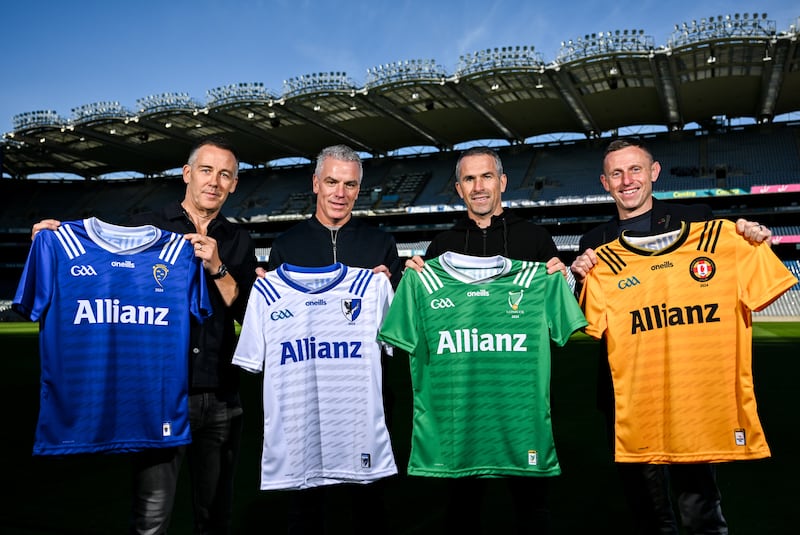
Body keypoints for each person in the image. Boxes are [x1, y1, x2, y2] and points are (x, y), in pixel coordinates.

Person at [31, 135, 258, 535]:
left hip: (222, 396)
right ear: (187, 174)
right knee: (151, 520)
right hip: (158, 398)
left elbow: (246, 313)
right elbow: (102, 263)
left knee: (215, 518)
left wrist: (218, 267)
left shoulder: (238, 240)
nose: (214, 181)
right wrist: (53, 240)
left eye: (226, 175)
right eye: (206, 170)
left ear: (235, 184)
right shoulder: (145, 227)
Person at [569, 137, 773, 535]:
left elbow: (738, 265)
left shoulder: (699, 221)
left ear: (654, 173)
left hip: (692, 387)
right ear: (604, 182)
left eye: (635, 169)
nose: (627, 180)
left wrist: (751, 236)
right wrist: (579, 279)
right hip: (627, 392)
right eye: (616, 173)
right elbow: (589, 320)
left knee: (699, 500)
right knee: (645, 503)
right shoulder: (594, 243)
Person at [404, 146, 567, 534]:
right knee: (461, 512)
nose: (479, 187)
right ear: (459, 189)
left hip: (519, 412)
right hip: (462, 414)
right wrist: (412, 278)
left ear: (503, 182)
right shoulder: (441, 246)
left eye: (487, 177)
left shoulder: (535, 238)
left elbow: (561, 313)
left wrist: (565, 278)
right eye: (469, 179)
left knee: (533, 511)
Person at [263, 144, 402, 534]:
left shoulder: (381, 245)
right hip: (303, 402)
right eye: (331, 182)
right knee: (305, 505)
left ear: (359, 190)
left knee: (369, 503)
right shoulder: (286, 244)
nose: (340, 193)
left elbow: (396, 328)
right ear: (315, 184)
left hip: (364, 399)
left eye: (350, 184)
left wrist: (390, 287)